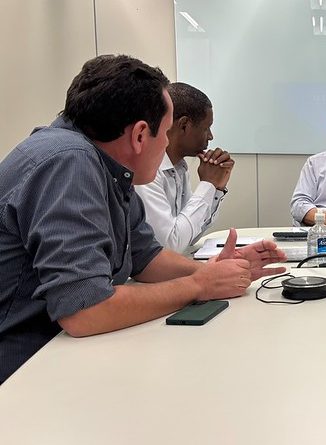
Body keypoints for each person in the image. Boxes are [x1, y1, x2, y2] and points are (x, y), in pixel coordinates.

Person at [0, 55, 286, 384]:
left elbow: (144, 256)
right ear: (139, 135)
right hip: (21, 371)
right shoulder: (69, 163)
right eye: (165, 133)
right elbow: (84, 310)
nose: (166, 143)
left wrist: (213, 271)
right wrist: (199, 286)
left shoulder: (105, 165)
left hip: (60, 354)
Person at [135, 82, 233, 252]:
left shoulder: (179, 168)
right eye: (206, 128)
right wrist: (207, 184)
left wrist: (216, 189)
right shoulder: (146, 173)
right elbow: (169, 246)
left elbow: (190, 236)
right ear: (184, 125)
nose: (210, 136)